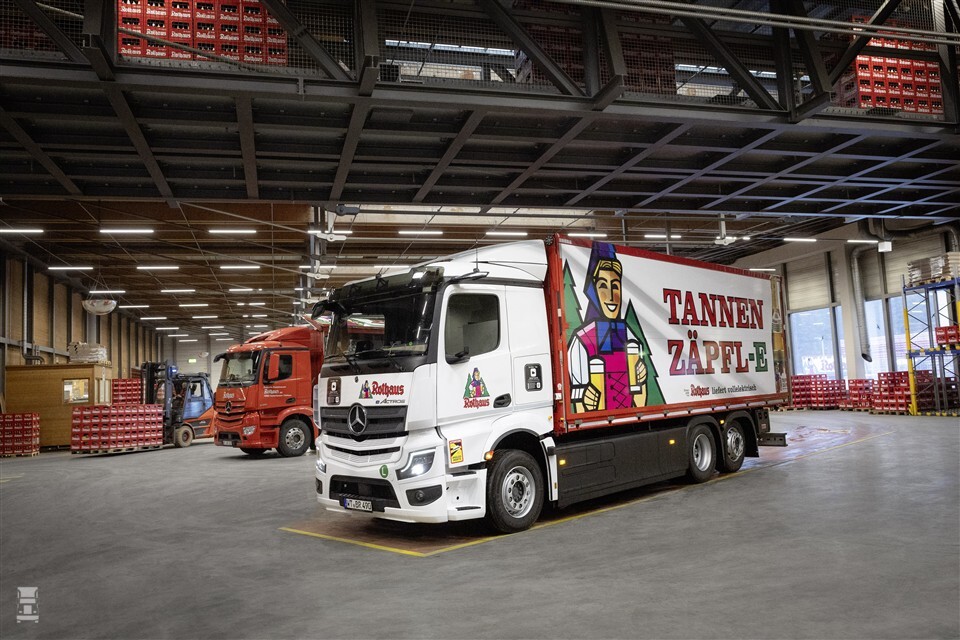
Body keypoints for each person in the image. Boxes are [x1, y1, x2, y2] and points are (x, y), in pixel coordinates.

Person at [568, 242, 647, 412]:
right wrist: (585, 399)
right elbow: (579, 407)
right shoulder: (581, 340)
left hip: (627, 415)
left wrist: (641, 381)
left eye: (615, 286)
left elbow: (640, 401)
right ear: (593, 290)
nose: (611, 296)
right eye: (603, 286)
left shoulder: (630, 336)